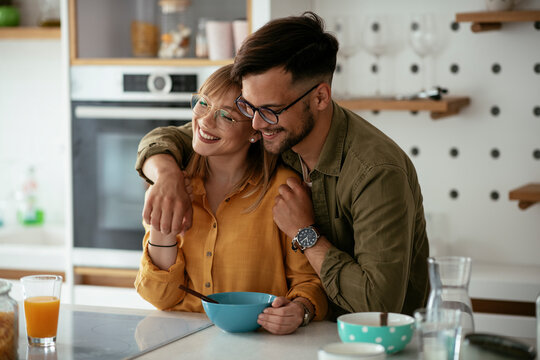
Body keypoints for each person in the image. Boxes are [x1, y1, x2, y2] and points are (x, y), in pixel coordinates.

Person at [135, 12, 429, 318]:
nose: (258, 123)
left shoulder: (376, 172)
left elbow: (379, 308)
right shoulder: (272, 132)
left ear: (320, 97)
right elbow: (173, 137)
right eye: (249, 108)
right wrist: (166, 175)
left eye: (271, 110)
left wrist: (305, 232)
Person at [135, 64, 328, 335]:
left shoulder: (282, 190)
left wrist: (299, 310)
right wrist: (162, 228)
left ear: (254, 130)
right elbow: (160, 296)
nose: (204, 121)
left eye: (226, 116)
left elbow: (308, 283)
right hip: (178, 341)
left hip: (259, 346)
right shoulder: (175, 185)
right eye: (202, 103)